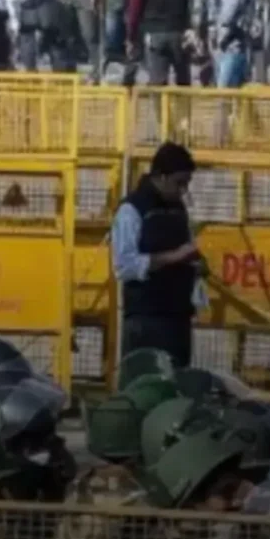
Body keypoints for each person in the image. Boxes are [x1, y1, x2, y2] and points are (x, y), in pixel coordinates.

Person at [111, 142, 203, 369]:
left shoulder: (178, 209)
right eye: (179, 183)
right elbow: (124, 266)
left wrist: (196, 264)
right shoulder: (132, 210)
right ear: (161, 177)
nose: (183, 190)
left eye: (187, 184)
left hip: (178, 318)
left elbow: (186, 246)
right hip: (146, 321)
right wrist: (173, 257)